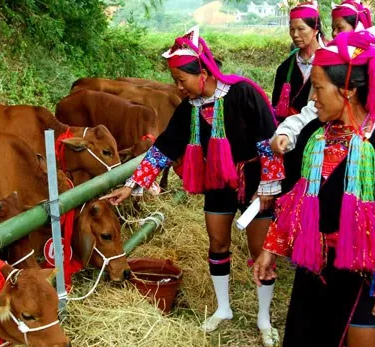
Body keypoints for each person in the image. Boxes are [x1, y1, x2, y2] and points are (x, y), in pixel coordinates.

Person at [101, 26, 284, 346]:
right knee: (217, 241)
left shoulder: (243, 93)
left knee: (261, 250)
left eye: (180, 80)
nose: (178, 87)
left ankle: (264, 318)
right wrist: (132, 185)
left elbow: (268, 141)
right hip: (218, 178)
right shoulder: (189, 109)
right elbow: (164, 148)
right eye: (174, 81)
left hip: (256, 180)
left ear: (202, 72)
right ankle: (224, 308)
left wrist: (269, 186)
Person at [253, 30, 375, 347]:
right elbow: (295, 200)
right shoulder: (314, 135)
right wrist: (269, 248)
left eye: (318, 88)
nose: (312, 99)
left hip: (365, 279)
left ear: (349, 90)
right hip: (313, 270)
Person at [270, 0, 375, 154]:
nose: (335, 33)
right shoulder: (287, 68)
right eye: (292, 29)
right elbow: (310, 110)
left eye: (340, 28)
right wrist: (286, 132)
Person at [271, 1, 323, 121]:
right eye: (292, 29)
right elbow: (275, 105)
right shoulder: (285, 68)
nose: (295, 34)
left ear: (315, 29)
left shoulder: (329, 64)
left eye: (301, 29)